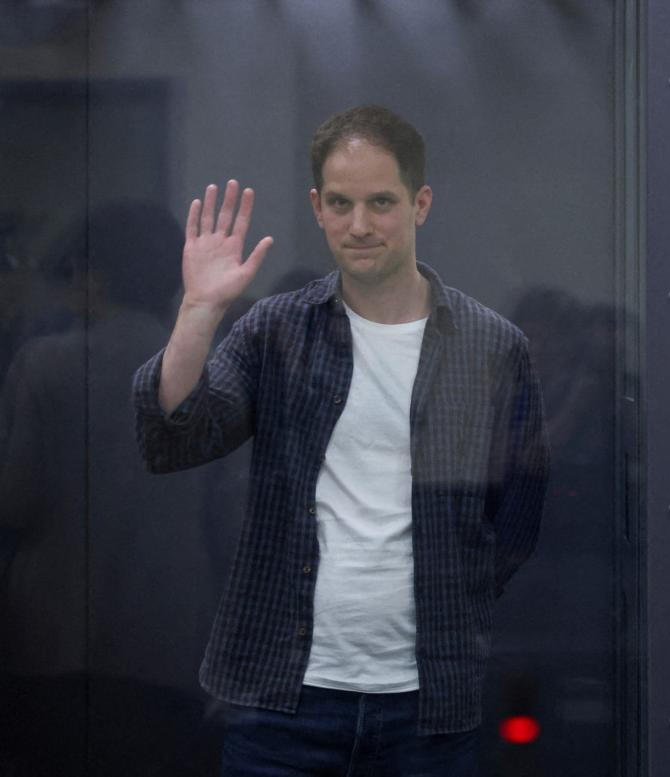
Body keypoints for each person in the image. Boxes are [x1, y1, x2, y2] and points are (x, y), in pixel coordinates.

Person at [132, 105, 550, 777]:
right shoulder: (277, 330)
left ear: (420, 203)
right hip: (283, 697)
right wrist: (200, 309)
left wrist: (453, 595)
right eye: (341, 203)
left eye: (381, 202)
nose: (360, 224)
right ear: (317, 207)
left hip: (428, 702)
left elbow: (518, 519)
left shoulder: (491, 344)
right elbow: (175, 437)